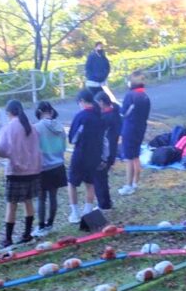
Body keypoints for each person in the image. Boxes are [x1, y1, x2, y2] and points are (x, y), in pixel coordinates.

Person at [0, 100, 42, 246]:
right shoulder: (31, 127)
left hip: (16, 171)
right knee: (28, 201)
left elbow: (2, 150)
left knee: (12, 204)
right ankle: (27, 233)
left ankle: (8, 238)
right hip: (33, 170)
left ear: (9, 113)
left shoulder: (8, 128)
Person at [66, 90, 104, 223]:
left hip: (81, 153)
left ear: (81, 101)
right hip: (94, 154)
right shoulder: (98, 114)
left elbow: (73, 137)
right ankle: (88, 210)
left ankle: (75, 213)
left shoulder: (81, 116)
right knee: (90, 183)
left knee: (72, 183)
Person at [34, 101, 68, 236]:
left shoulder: (36, 128)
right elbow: (64, 147)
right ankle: (50, 223)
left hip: (43, 167)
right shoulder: (60, 126)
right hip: (58, 165)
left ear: (40, 111)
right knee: (53, 196)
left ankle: (41, 226)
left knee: (41, 198)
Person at [118, 71, 151, 196]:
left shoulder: (130, 95)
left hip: (130, 128)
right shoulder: (145, 96)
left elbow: (123, 112)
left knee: (129, 158)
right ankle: (136, 182)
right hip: (140, 128)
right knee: (135, 155)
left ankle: (128, 185)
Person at [93, 91, 122, 211]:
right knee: (102, 177)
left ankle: (103, 204)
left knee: (99, 178)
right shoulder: (116, 113)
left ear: (101, 102)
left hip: (106, 152)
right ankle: (106, 202)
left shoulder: (106, 118)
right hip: (113, 150)